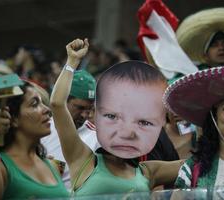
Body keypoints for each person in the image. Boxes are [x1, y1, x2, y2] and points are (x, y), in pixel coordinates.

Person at [50, 38, 183, 197]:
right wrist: (72, 61)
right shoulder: (83, 160)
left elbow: (198, 164)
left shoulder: (147, 172)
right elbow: (57, 104)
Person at [0, 82, 69, 199]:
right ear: (12, 119)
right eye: (34, 104)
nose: (47, 109)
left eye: (42, 103)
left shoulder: (53, 165)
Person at [41, 70, 98, 189]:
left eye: (89, 109)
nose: (84, 115)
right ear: (64, 100)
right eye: (80, 108)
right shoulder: (41, 130)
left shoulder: (97, 139)